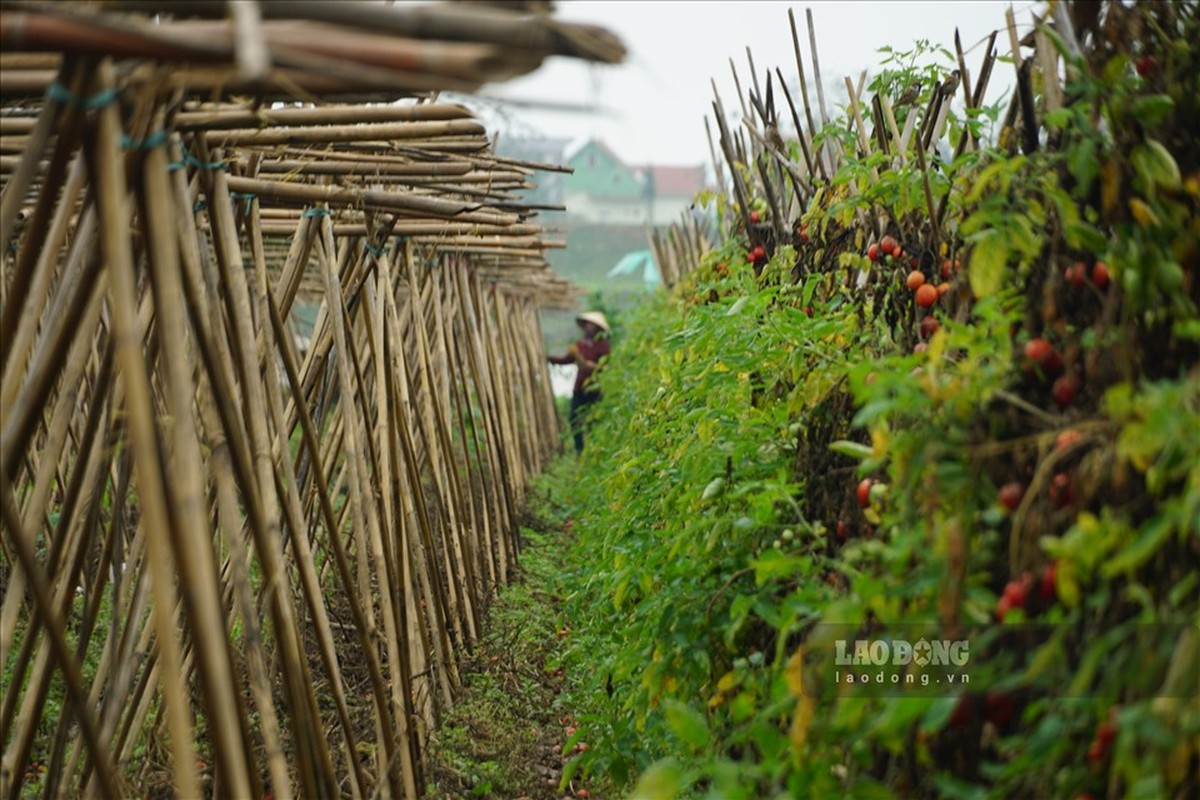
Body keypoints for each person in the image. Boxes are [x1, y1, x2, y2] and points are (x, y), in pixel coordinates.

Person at [548, 311, 611, 454]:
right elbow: (569, 359)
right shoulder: (580, 344)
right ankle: (579, 449)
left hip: (595, 388)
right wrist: (551, 359)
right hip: (580, 388)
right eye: (587, 324)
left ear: (597, 327)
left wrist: (592, 366)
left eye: (591, 324)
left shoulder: (603, 345)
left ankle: (595, 449)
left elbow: (607, 367)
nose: (588, 327)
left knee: (594, 420)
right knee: (574, 418)